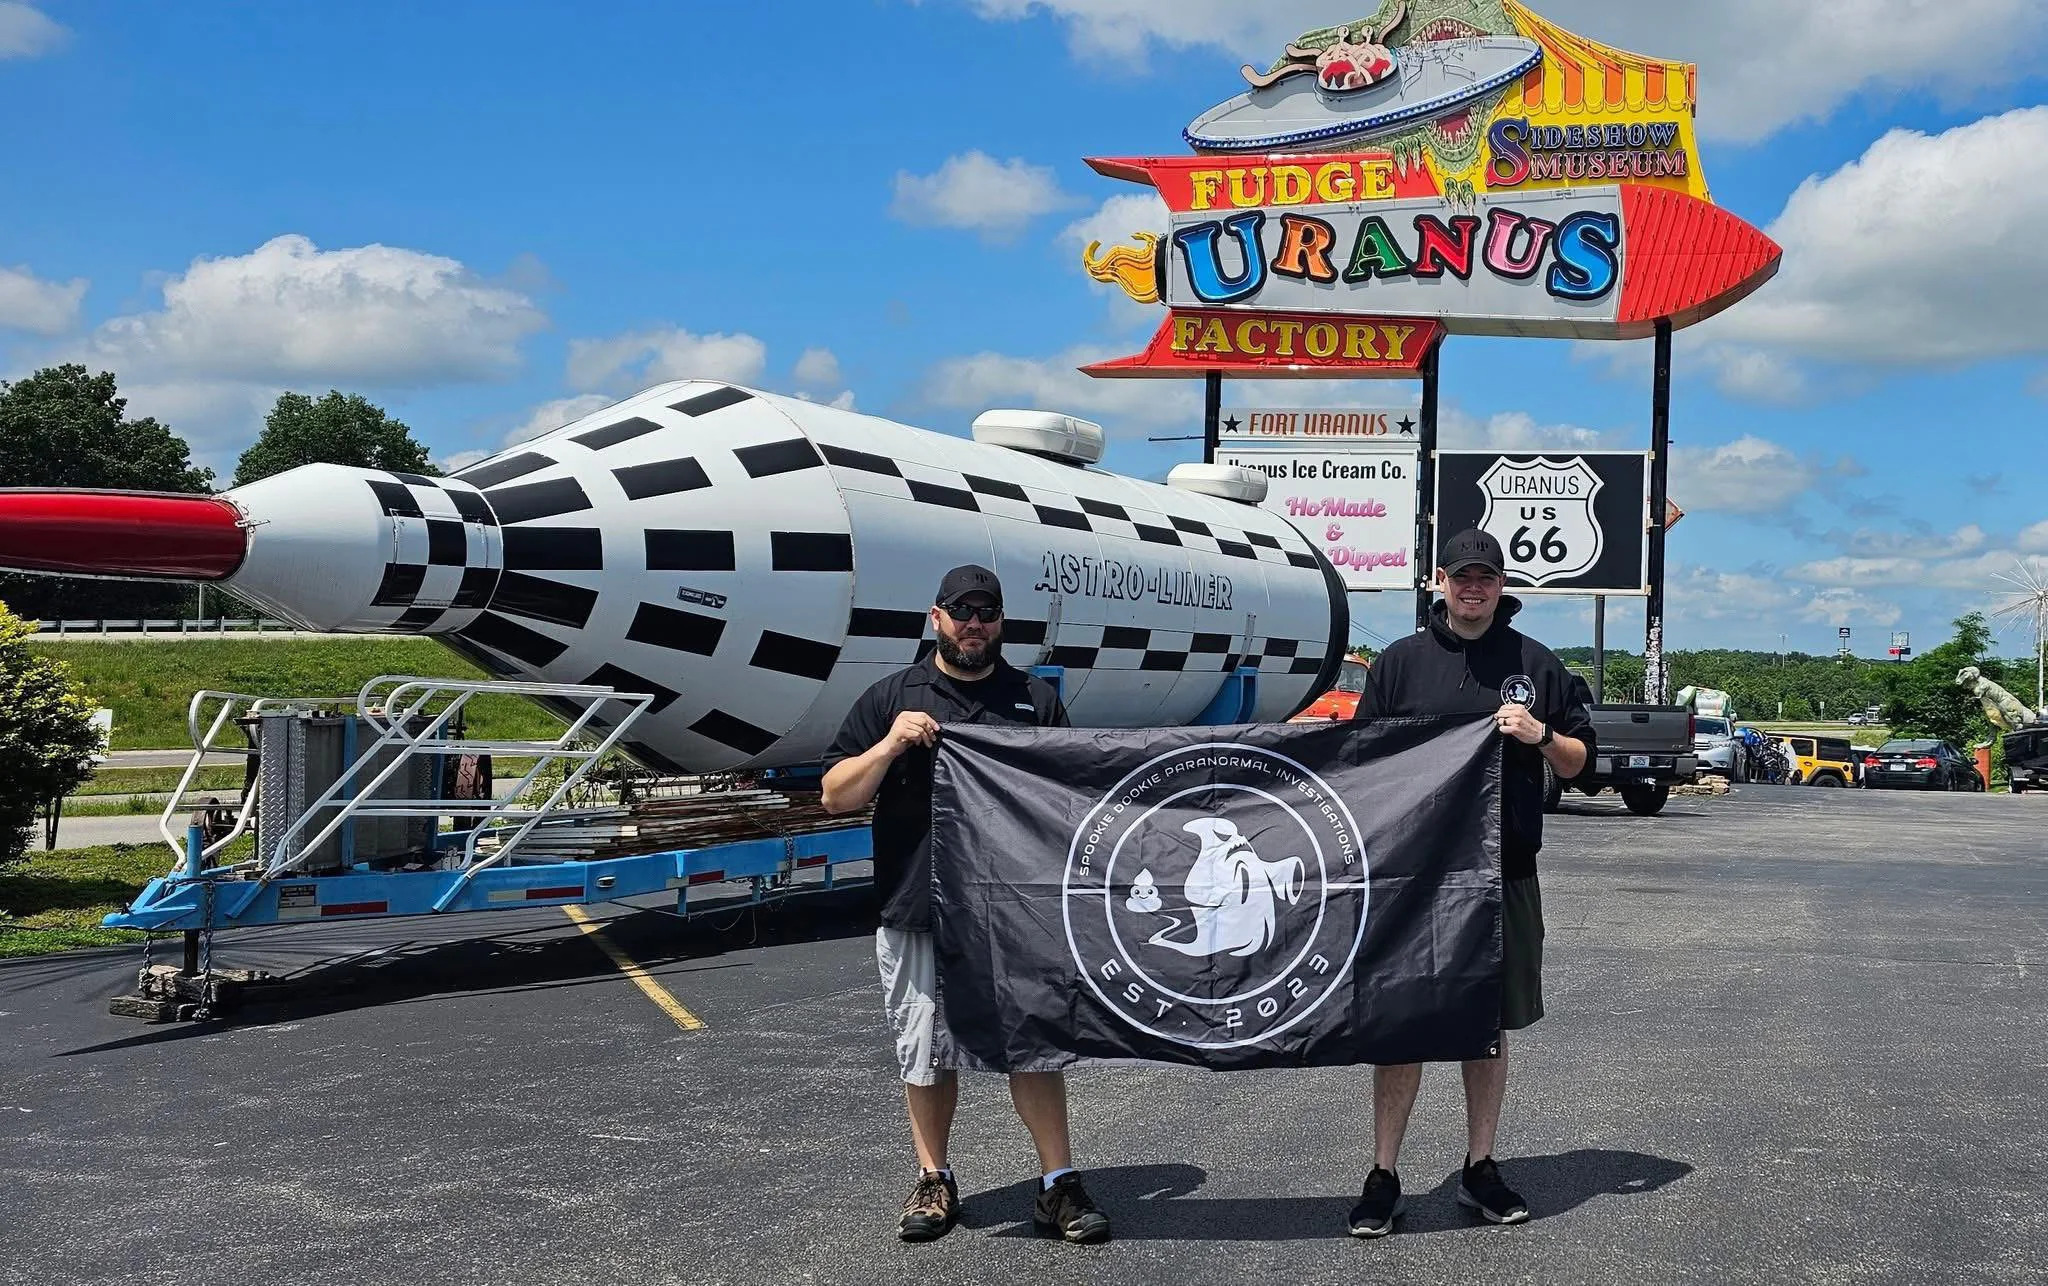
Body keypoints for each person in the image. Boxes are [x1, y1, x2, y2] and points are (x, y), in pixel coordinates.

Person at [821, 564, 1113, 1247]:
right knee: (923, 1051)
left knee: (1031, 1050)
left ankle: (1058, 1183)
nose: (974, 624)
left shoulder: (1031, 700)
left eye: (987, 613)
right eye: (962, 612)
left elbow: (1070, 801)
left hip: (1010, 915)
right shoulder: (892, 698)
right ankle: (933, 1178)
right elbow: (836, 793)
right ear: (937, 618)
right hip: (916, 905)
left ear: (1000, 622)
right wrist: (892, 743)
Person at [1344, 529, 1593, 1236]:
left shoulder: (1536, 665)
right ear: (1440, 581)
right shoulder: (1398, 665)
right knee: (1404, 1026)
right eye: (1462, 577)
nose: (1473, 589)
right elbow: (1359, 765)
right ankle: (1384, 1174)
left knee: (1488, 1026)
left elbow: (1580, 765)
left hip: (1502, 873)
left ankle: (1480, 1167)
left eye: (1486, 577)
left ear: (1503, 583)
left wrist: (1541, 735)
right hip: (1412, 877)